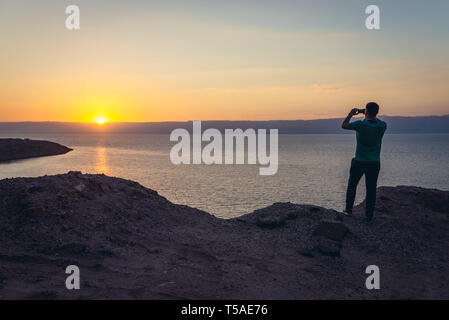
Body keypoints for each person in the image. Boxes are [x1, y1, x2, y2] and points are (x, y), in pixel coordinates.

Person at [341, 102, 387, 222]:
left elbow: (344, 125)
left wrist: (351, 113)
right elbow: (377, 120)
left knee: (352, 185)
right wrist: (369, 113)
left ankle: (349, 210)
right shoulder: (382, 126)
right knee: (371, 189)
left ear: (366, 111)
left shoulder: (360, 124)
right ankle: (368, 216)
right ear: (377, 112)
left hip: (360, 161)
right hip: (374, 162)